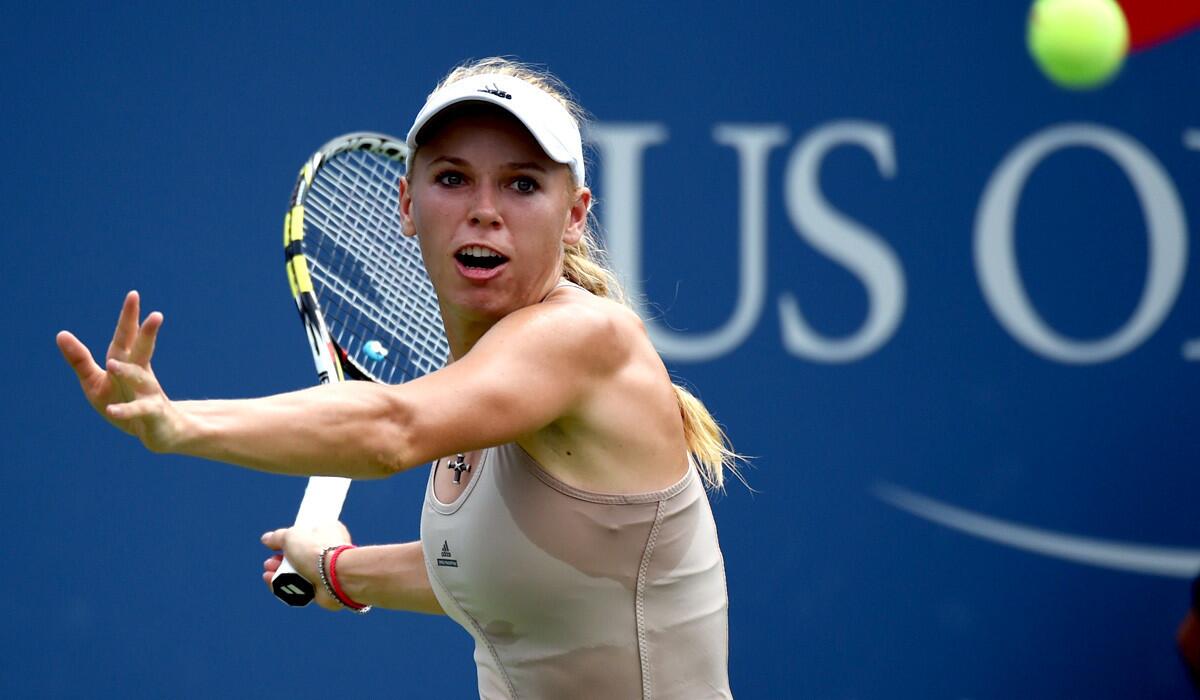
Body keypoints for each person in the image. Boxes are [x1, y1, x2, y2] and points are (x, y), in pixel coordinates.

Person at [57, 57, 736, 699]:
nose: (485, 208)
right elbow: (497, 572)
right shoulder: (484, 387)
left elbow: (390, 430)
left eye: (523, 183)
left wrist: (178, 425)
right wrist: (338, 572)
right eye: (452, 178)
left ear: (576, 218)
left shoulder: (587, 337)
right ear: (407, 205)